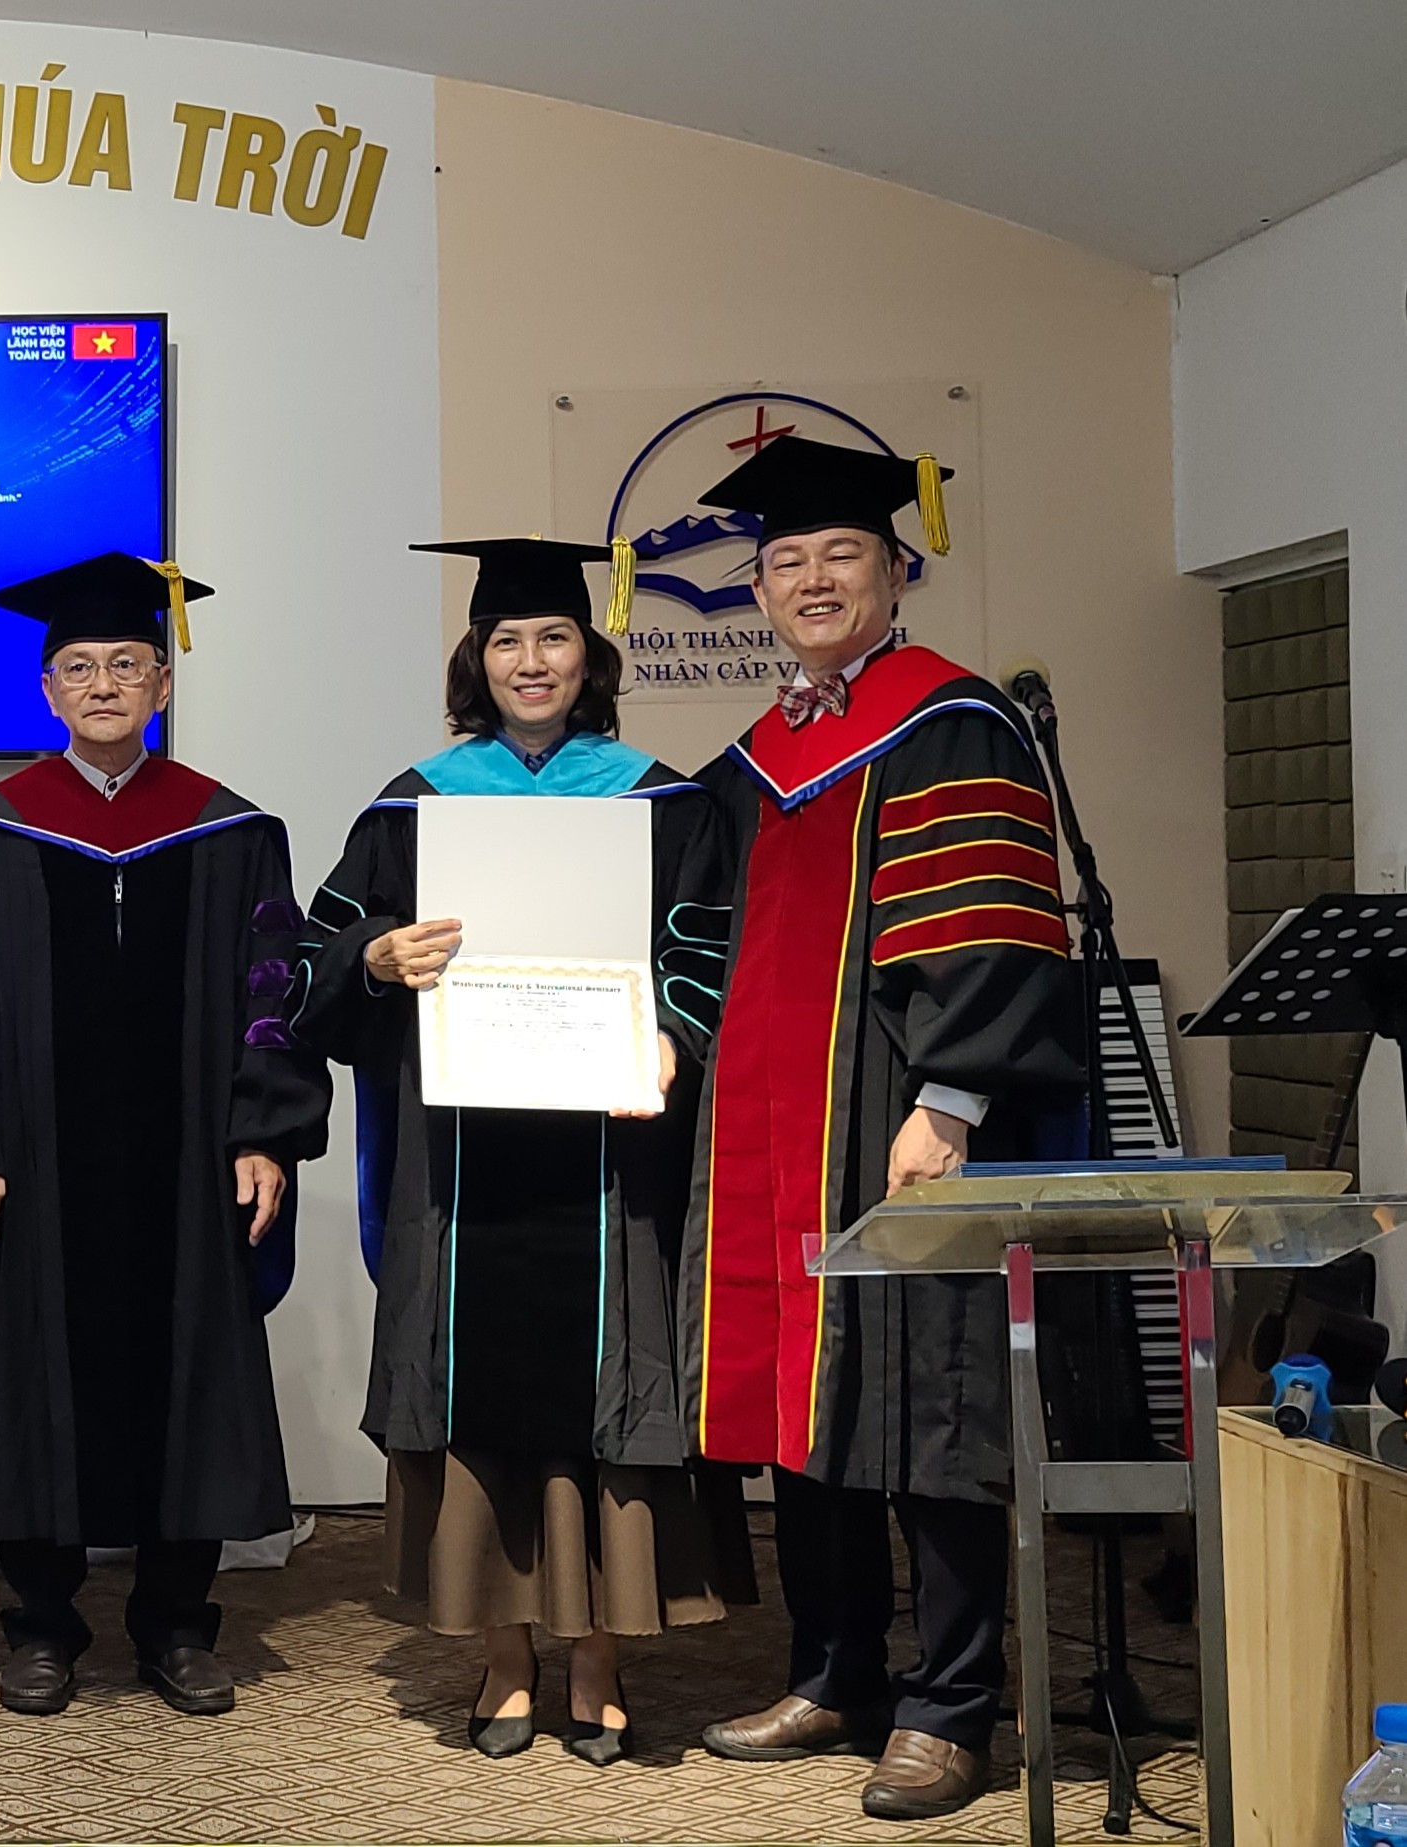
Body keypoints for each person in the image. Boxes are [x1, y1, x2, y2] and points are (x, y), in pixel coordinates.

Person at [675, 438, 1084, 1821]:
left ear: (896, 569)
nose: (810, 579)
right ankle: (834, 1669)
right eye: (783, 561)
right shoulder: (752, 760)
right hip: (767, 1132)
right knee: (809, 1405)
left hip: (899, 1123)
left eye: (838, 554)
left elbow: (992, 925)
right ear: (756, 590)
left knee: (929, 1403)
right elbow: (693, 933)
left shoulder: (952, 720)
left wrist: (946, 1101)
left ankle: (950, 1703)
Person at [296, 538, 749, 1766]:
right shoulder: (413, 802)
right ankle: (502, 1657)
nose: (530, 660)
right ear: (476, 659)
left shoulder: (663, 801)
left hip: (611, 1160)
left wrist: (671, 1034)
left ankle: (597, 1660)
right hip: (461, 1162)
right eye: (506, 640)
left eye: (552, 637)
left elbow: (713, 948)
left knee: (602, 1394)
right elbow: (312, 955)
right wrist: (374, 956)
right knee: (480, 1393)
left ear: (588, 656)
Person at [0, 553, 331, 1718]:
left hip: (188, 1159)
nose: (102, 683)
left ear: (162, 681)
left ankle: (176, 1621)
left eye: (124, 663)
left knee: (190, 1371)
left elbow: (271, 984)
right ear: (46, 688)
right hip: (36, 1162)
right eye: (78, 665)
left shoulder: (229, 827)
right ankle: (41, 1623)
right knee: (33, 1372)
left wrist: (263, 1129)